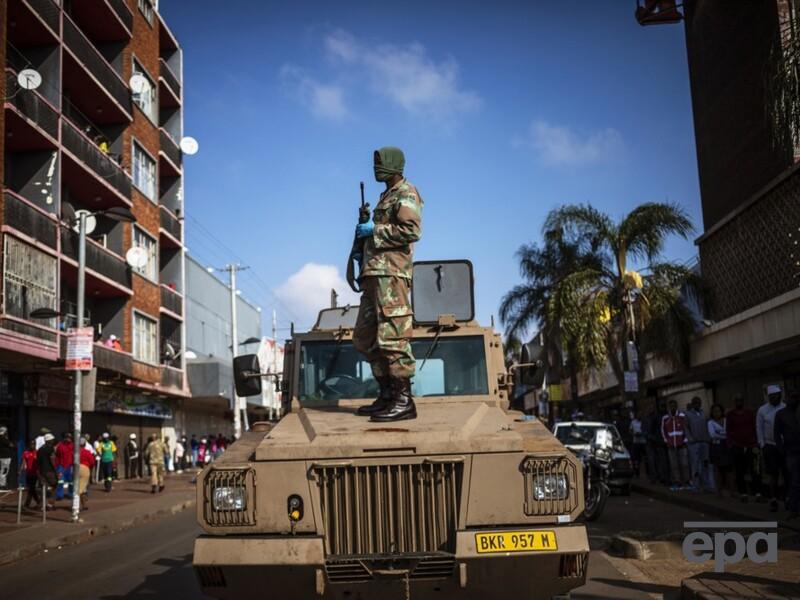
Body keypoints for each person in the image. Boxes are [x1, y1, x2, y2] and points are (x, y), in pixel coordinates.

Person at [351, 147, 423, 423]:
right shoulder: (387, 196)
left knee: (393, 337)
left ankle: (404, 401)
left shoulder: (407, 192)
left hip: (391, 275)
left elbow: (411, 231)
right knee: (365, 338)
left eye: (380, 163)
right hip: (374, 274)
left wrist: (374, 230)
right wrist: (363, 230)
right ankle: (388, 395)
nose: (375, 168)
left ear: (394, 165)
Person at [757, 385, 787, 512]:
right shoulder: (762, 410)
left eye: (777, 395)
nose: (774, 398)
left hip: (784, 445)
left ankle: (788, 498)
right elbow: (759, 428)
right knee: (773, 474)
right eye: (772, 396)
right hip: (770, 446)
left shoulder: (785, 407)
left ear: (780, 395)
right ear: (768, 397)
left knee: (786, 473)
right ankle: (773, 499)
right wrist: (762, 445)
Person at [726, 395, 761, 502]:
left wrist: (756, 443)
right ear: (734, 402)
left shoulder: (749, 413)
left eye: (740, 400)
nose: (739, 402)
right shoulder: (730, 415)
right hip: (737, 446)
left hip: (751, 445)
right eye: (737, 401)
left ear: (743, 402)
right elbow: (728, 430)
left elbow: (755, 427)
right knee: (740, 471)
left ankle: (758, 493)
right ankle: (743, 493)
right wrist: (731, 444)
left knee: (755, 469)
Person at [775, 391, 800, 519]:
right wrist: (781, 449)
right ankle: (793, 509)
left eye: (796, 398)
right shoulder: (781, 414)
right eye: (791, 398)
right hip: (791, 451)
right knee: (795, 481)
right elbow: (777, 434)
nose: (793, 400)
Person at [684, 397, 713, 491]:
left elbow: (708, 426)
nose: (697, 404)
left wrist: (708, 439)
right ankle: (696, 485)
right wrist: (690, 439)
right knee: (695, 465)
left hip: (704, 442)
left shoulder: (704, 413)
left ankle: (706, 485)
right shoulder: (688, 414)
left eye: (699, 403)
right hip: (694, 443)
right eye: (695, 403)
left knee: (705, 464)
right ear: (692, 404)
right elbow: (686, 428)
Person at [661, 399, 690, 490]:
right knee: (674, 465)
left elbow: (686, 429)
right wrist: (666, 441)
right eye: (671, 406)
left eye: (674, 406)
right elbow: (663, 431)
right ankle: (677, 482)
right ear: (669, 407)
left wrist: (685, 440)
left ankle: (687, 481)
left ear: (676, 406)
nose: (672, 408)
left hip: (682, 445)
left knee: (684, 464)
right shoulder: (665, 418)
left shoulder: (682, 416)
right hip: (671, 446)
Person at [708, 404, 733, 496]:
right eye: (715, 411)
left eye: (718, 411)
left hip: (726, 446)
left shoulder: (726, 420)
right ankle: (718, 491)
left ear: (721, 411)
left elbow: (730, 432)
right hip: (716, 447)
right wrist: (724, 435)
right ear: (712, 413)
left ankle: (732, 491)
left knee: (729, 469)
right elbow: (713, 435)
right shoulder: (710, 422)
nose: (717, 413)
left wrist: (721, 434)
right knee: (718, 468)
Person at [37, 433, 57, 508]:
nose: (53, 441)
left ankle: (42, 504)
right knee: (53, 486)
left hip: (42, 471)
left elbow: (38, 461)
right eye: (52, 440)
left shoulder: (40, 449)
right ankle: (50, 504)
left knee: (43, 488)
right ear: (49, 441)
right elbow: (52, 460)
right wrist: (56, 471)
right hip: (49, 471)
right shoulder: (50, 448)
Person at [54, 432, 74, 500]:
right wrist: (57, 466)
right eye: (67, 437)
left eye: (70, 438)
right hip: (61, 466)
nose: (68, 439)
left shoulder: (73, 446)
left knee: (71, 481)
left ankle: (71, 494)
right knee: (60, 481)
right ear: (64, 438)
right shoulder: (60, 446)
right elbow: (57, 456)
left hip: (70, 466)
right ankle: (59, 495)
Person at [77, 436, 95, 510]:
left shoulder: (74, 452)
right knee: (82, 489)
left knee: (77, 487)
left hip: (75, 469)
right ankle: (80, 506)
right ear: (84, 444)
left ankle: (79, 505)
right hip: (85, 468)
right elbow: (92, 462)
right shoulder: (86, 452)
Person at [20, 440, 39, 509]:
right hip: (28, 473)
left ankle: (26, 504)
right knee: (31, 489)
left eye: (34, 444)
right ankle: (39, 502)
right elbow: (23, 462)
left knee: (31, 489)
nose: (32, 446)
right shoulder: (26, 453)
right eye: (31, 444)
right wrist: (20, 470)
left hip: (35, 473)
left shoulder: (37, 452)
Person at [629, 412, 647, 478]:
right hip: (636, 442)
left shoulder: (644, 422)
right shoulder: (633, 422)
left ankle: (648, 472)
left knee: (646, 457)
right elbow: (630, 430)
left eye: (641, 415)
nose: (639, 416)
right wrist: (634, 434)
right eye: (638, 415)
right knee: (636, 458)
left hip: (644, 441)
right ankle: (637, 472)